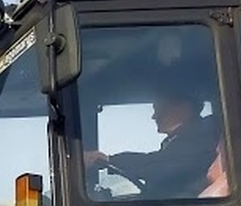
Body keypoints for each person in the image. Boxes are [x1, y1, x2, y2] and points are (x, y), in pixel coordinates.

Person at [84, 80, 220, 199]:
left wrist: (109, 160)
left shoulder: (203, 137)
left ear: (183, 108)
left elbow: (160, 167)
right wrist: (108, 160)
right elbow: (155, 160)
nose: (154, 117)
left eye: (159, 109)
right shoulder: (185, 139)